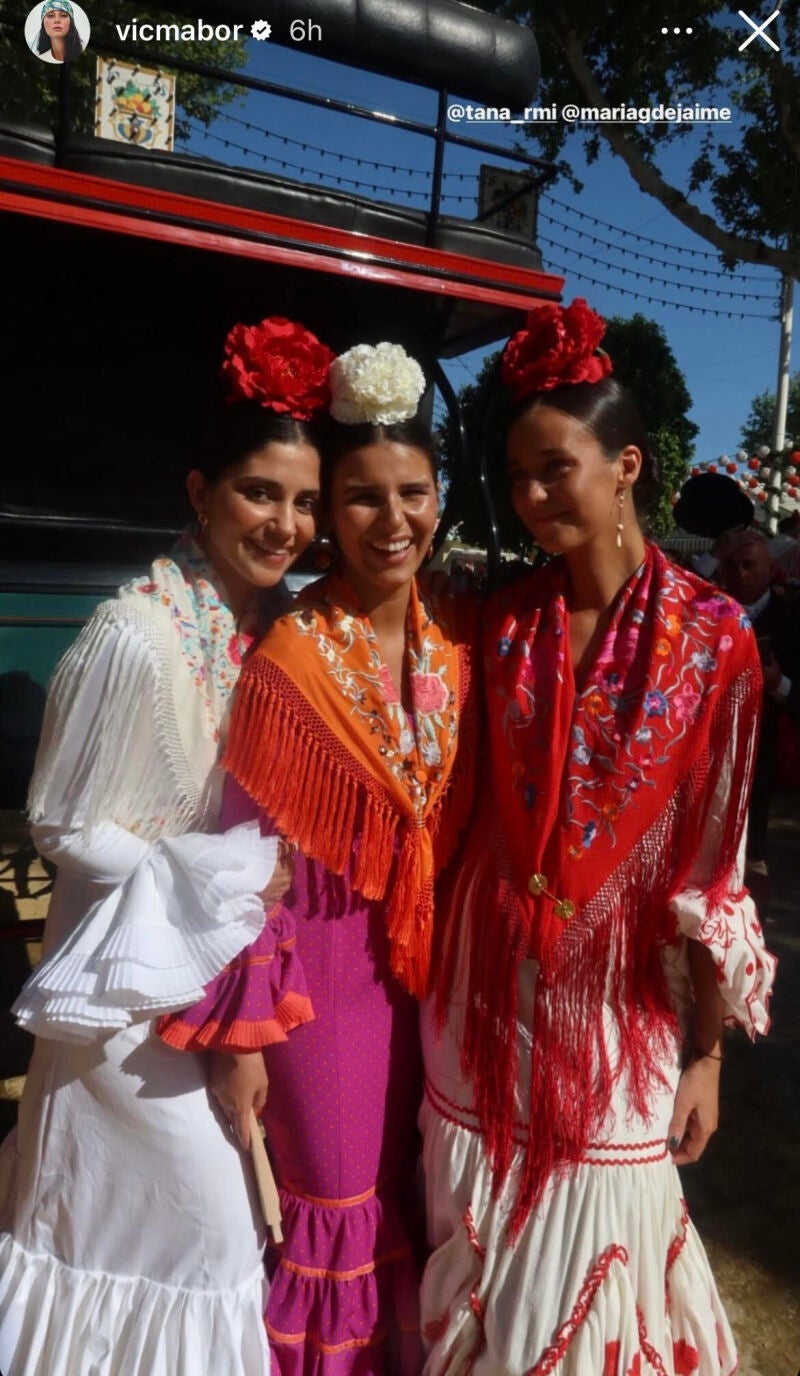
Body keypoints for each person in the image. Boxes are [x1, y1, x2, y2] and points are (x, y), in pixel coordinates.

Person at [420, 300, 776, 1375]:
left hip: (615, 1004)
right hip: (479, 989)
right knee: (475, 1249)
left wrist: (704, 1052)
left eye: (553, 468)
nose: (529, 497)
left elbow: (713, 862)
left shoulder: (716, 642)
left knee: (597, 1247)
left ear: (624, 464)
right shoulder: (494, 616)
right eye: (514, 474)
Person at [0, 315, 334, 1376]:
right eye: (259, 492)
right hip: (123, 994)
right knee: (191, 1230)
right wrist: (218, 879)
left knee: (219, 1224)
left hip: (222, 983)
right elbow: (59, 820)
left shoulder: (267, 629)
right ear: (199, 491)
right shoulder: (132, 632)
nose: (284, 522)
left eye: (302, 500)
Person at [159, 341, 479, 1374]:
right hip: (321, 995)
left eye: (413, 492)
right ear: (327, 511)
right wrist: (242, 1034)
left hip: (421, 991)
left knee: (409, 1204)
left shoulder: (450, 652)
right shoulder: (290, 663)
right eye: (360, 497)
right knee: (335, 1214)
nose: (393, 522)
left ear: (440, 497)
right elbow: (243, 866)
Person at [718, 527, 800, 888]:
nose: (741, 574)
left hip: (772, 765)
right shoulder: (710, 614)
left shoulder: (793, 620)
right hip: (718, 755)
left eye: (749, 565)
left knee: (756, 868)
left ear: (769, 570)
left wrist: (778, 684)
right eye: (733, 566)